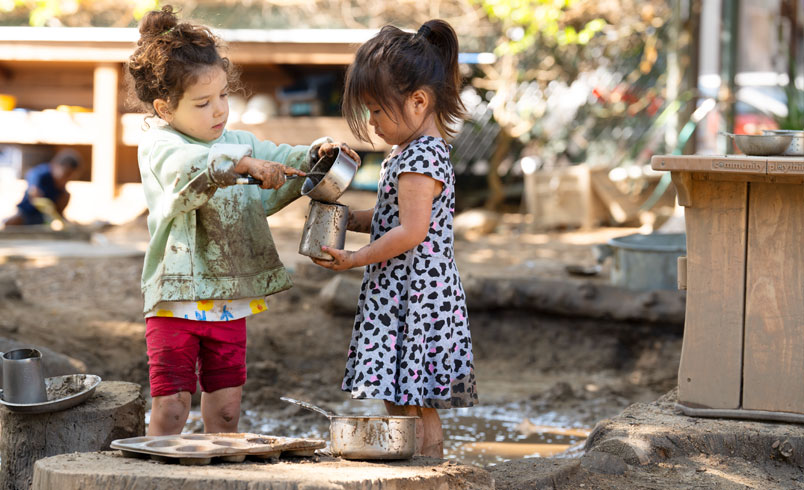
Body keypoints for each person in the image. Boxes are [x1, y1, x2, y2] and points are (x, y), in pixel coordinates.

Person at [126, 5, 359, 436]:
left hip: (230, 296)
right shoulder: (160, 145)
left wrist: (314, 155)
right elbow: (191, 167)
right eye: (202, 103)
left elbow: (278, 157)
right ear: (164, 108)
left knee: (228, 409)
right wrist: (240, 165)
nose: (218, 111)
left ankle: (222, 475)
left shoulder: (239, 142)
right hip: (175, 299)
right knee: (172, 406)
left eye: (222, 97)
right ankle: (158, 476)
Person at [311, 19, 477, 458]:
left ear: (419, 101)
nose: (372, 122)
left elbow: (411, 231)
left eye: (378, 111)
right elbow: (390, 217)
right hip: (400, 289)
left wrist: (354, 258)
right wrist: (341, 220)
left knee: (414, 400)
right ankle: (417, 466)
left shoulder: (421, 158)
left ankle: (428, 468)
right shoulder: (406, 152)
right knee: (399, 395)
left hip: (417, 294)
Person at [3, 149, 81, 226]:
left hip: (43, 218)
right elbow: (33, 175)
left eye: (69, 178)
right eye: (65, 175)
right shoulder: (43, 174)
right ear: (55, 166)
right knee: (13, 221)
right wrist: (34, 190)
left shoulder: (62, 192)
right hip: (27, 212)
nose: (65, 180)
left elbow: (55, 212)